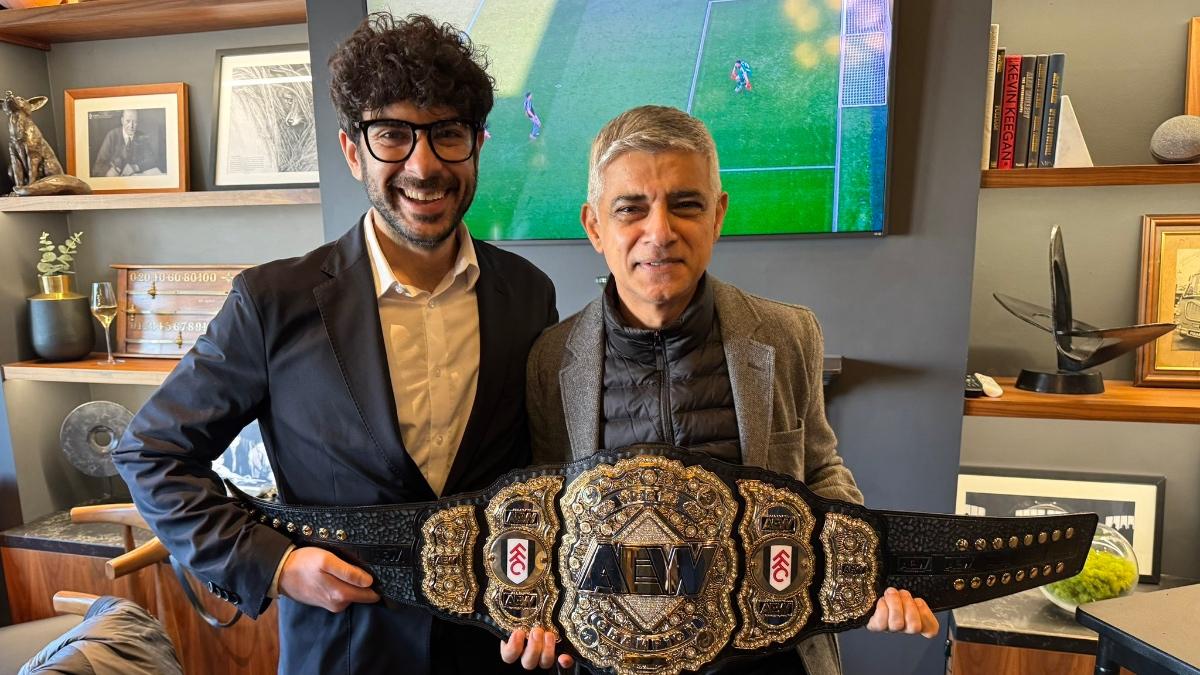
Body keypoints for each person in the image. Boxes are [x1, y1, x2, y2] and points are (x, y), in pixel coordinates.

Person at [113, 14, 559, 674]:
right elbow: (151, 452)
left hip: (493, 651)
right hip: (342, 650)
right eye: (393, 136)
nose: (424, 164)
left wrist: (548, 599)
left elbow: (544, 475)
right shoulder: (272, 302)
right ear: (354, 152)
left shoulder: (528, 293)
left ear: (476, 146)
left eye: (447, 135)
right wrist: (277, 563)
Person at [519, 105, 937, 674]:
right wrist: (537, 621)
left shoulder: (789, 335)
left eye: (685, 204)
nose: (659, 232)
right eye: (631, 209)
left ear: (717, 216)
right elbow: (548, 518)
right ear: (596, 227)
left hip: (769, 657)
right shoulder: (550, 359)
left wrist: (869, 571)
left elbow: (820, 474)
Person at [92, 109, 163, 177]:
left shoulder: (141, 136)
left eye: (134, 122)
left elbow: (151, 159)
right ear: (122, 121)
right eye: (128, 121)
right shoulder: (112, 136)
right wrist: (109, 172)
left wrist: (135, 167)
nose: (131, 126)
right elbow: (98, 166)